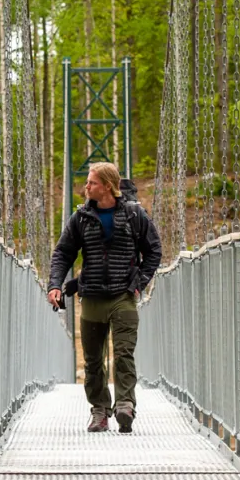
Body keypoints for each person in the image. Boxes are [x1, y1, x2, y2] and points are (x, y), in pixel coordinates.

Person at [47, 163, 162, 433]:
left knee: (123, 354)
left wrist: (140, 282)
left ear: (108, 186)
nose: (86, 187)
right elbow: (63, 253)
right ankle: (99, 411)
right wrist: (55, 285)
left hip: (123, 296)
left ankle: (125, 406)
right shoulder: (81, 217)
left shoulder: (134, 214)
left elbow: (154, 251)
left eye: (91, 183)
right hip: (92, 297)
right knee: (94, 360)